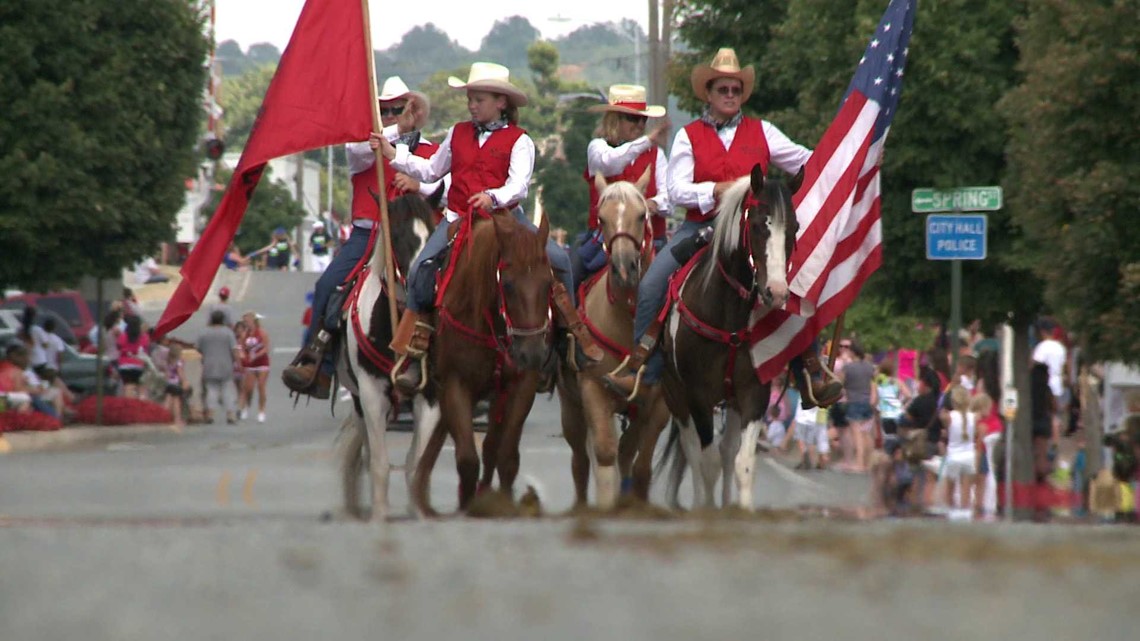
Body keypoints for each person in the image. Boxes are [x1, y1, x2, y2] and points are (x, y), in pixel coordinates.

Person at [601, 48, 842, 407]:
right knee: (653, 283)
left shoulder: (764, 132)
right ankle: (641, 368)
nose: (729, 95)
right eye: (722, 89)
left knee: (790, 283)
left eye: (735, 90)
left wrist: (855, 156)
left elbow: (809, 160)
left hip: (754, 230)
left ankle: (810, 371)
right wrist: (716, 190)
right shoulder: (689, 135)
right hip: (703, 226)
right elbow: (678, 188)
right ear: (709, 94)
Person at [373, 62, 600, 393]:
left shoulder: (520, 140)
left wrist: (492, 198)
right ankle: (415, 349)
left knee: (560, 261)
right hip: (457, 220)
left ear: (501, 102)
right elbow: (432, 170)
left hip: (507, 220)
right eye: (470, 98)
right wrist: (393, 153)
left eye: (479, 99)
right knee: (423, 267)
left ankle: (568, 338)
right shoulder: (457, 132)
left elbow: (518, 186)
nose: (472, 105)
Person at [281, 76, 443, 399]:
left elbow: (447, 188)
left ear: (415, 110)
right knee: (326, 286)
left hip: (414, 238)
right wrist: (397, 130)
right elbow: (359, 152)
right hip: (368, 233)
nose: (394, 114)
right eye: (385, 110)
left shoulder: (433, 151)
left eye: (400, 108)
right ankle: (317, 363)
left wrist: (421, 186)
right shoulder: (363, 145)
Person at [573, 84, 672, 287]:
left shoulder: (657, 154)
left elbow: (669, 198)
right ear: (614, 120)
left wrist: (653, 203)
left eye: (643, 119)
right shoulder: (597, 148)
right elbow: (610, 163)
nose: (639, 125)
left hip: (652, 239)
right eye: (633, 118)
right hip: (602, 238)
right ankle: (566, 319)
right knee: (570, 274)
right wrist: (648, 140)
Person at [196, 310, 241, 425]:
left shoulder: (204, 333)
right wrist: (238, 363)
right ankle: (230, 414)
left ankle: (210, 414)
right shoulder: (228, 333)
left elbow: (197, 348)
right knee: (227, 390)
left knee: (211, 390)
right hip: (226, 365)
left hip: (209, 365)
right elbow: (234, 350)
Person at [840, 342, 876, 473]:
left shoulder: (848, 367)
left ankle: (859, 463)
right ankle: (868, 462)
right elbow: (873, 383)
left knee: (856, 434)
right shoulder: (869, 367)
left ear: (852, 352)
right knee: (866, 434)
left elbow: (840, 383)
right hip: (867, 402)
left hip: (854, 401)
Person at [1032, 317, 1067, 445]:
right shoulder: (1060, 347)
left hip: (1046, 382)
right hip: (1058, 381)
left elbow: (1037, 364)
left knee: (1047, 412)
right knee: (1055, 413)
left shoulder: (1041, 347)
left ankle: (1051, 440)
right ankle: (1056, 440)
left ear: (1042, 332)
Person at [241, 311, 270, 423]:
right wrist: (244, 357)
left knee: (261, 386)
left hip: (262, 362)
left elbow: (266, 348)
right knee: (248, 388)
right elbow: (243, 348)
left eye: (247, 320)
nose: (246, 323)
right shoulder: (245, 334)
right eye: (245, 321)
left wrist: (257, 355)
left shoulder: (262, 332)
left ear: (253, 320)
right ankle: (246, 407)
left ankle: (261, 411)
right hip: (251, 364)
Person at [115, 315, 150, 399]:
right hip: (139, 365)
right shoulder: (144, 337)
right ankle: (141, 406)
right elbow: (145, 349)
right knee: (141, 388)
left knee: (128, 386)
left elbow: (118, 346)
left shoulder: (123, 336)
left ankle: (129, 406)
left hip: (125, 365)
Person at [163, 343, 187, 428]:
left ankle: (163, 417)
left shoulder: (168, 361)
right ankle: (177, 419)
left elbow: (166, 374)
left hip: (169, 383)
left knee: (168, 401)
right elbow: (180, 373)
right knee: (176, 402)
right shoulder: (179, 362)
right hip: (176, 383)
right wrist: (184, 381)